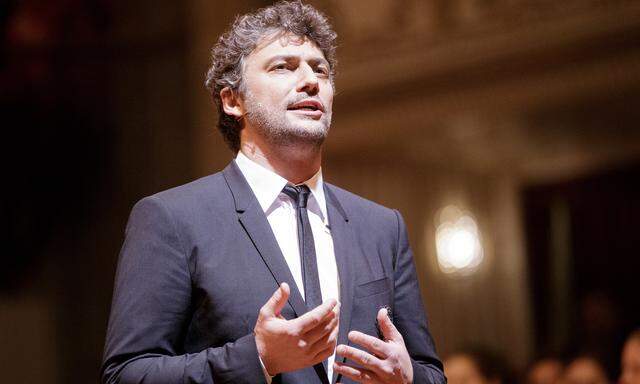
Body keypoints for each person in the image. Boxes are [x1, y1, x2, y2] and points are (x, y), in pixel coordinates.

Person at [100, 1, 444, 383]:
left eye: (320, 69)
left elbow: (430, 371)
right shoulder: (172, 219)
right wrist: (257, 357)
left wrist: (409, 378)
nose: (311, 80)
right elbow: (127, 374)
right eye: (283, 67)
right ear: (233, 100)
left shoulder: (382, 226)